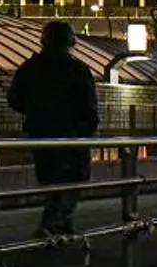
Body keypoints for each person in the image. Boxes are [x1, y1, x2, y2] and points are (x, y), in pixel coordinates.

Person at [7, 20, 99, 238]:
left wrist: (35, 111)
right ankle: (55, 222)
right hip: (72, 136)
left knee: (51, 180)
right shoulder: (77, 69)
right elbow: (89, 106)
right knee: (73, 180)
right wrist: (87, 129)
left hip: (41, 133)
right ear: (70, 42)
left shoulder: (29, 68)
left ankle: (59, 223)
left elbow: (14, 98)